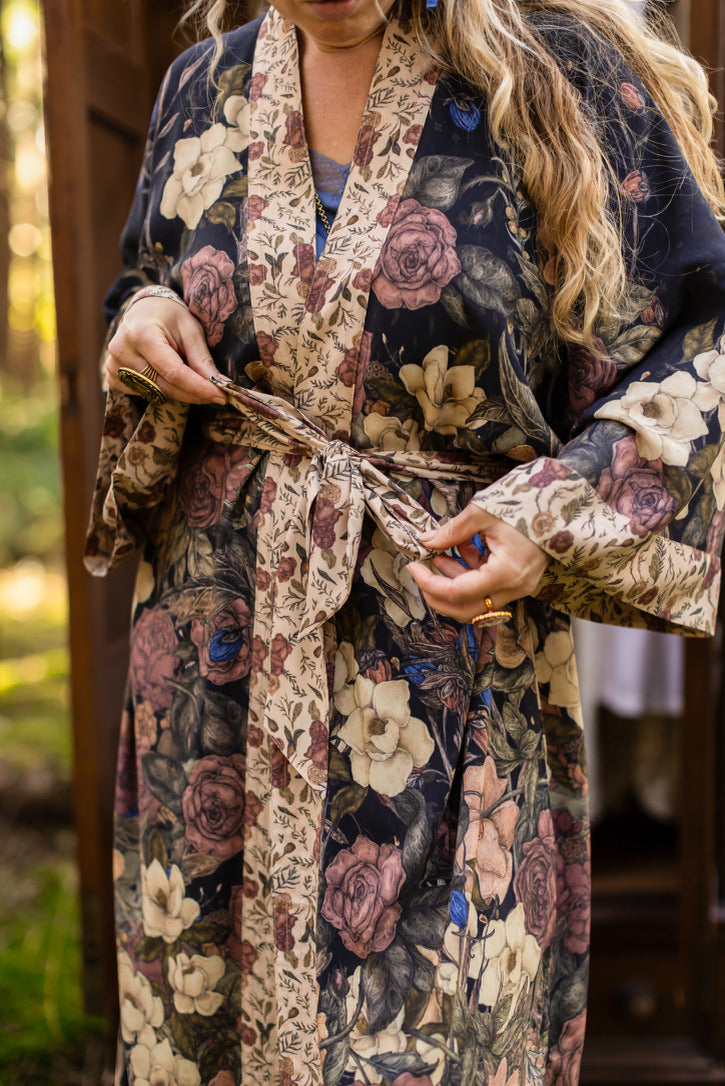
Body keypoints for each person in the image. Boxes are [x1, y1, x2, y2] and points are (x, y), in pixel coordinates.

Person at [85, 0, 725, 1080]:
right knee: (207, 1018)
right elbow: (145, 277)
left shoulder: (556, 72)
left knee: (425, 1039)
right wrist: (142, 319)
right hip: (211, 668)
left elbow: (702, 337)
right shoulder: (200, 86)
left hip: (440, 669)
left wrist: (553, 511)